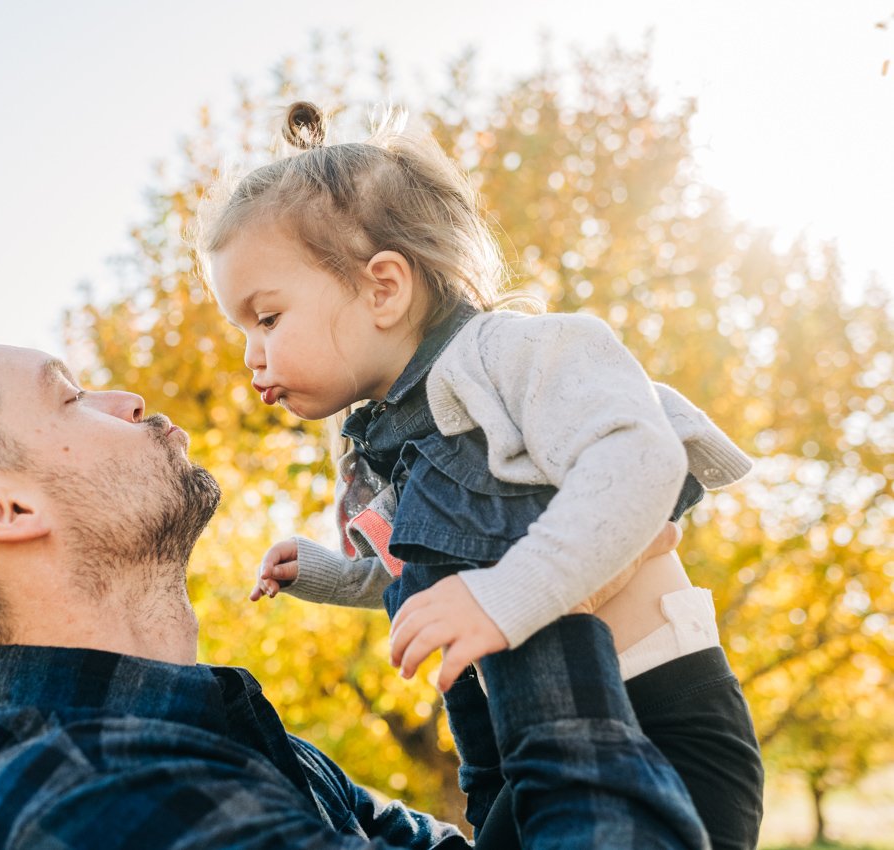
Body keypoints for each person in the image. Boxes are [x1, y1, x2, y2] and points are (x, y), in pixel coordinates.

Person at [0, 338, 710, 849]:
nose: (126, 398)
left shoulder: (222, 748)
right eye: (72, 396)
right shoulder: (98, 810)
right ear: (2, 507)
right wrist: (543, 585)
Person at [198, 101, 763, 848]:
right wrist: (335, 575)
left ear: (382, 288)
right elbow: (441, 579)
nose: (250, 356)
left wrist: (503, 597)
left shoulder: (512, 357)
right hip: (516, 745)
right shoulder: (385, 436)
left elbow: (638, 462)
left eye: (265, 318)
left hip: (652, 714)